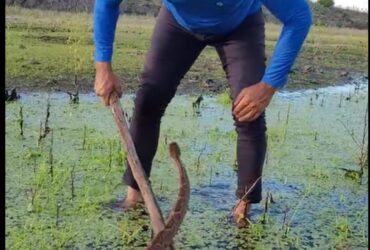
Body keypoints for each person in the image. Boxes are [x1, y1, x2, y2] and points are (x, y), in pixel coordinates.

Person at [93, 0, 312, 224]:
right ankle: (135, 197)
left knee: (249, 113)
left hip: (240, 25)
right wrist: (103, 67)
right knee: (148, 101)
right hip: (179, 24)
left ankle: (242, 211)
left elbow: (298, 17)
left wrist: (268, 86)